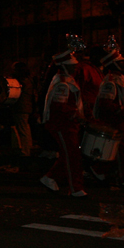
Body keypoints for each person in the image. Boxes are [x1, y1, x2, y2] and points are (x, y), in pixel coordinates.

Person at [40, 36, 87, 197]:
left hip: (68, 124)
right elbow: (59, 107)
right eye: (72, 66)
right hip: (62, 124)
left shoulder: (66, 80)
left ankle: (50, 177)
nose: (75, 69)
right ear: (65, 67)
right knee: (72, 155)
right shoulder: (62, 82)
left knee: (71, 154)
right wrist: (76, 114)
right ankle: (76, 188)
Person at [91, 36, 124, 186]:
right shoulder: (111, 81)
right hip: (114, 120)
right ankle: (123, 177)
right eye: (120, 62)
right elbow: (106, 104)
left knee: (116, 149)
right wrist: (123, 112)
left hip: (120, 119)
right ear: (114, 64)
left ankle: (101, 171)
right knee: (121, 149)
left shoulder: (120, 77)